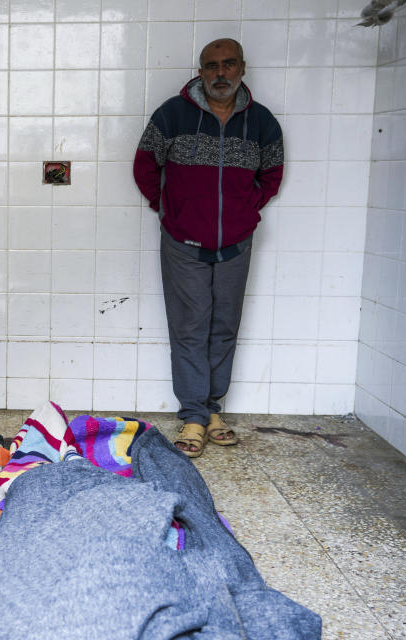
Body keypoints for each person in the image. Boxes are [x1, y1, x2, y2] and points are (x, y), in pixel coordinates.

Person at [133, 38, 283, 458]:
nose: (220, 73)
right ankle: (194, 416)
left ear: (242, 68)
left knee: (224, 327)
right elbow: (145, 163)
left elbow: (272, 173)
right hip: (183, 241)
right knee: (189, 328)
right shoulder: (172, 115)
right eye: (211, 65)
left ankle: (214, 409)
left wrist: (246, 210)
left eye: (228, 64)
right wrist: (166, 207)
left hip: (237, 241)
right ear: (200, 71)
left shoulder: (262, 122)